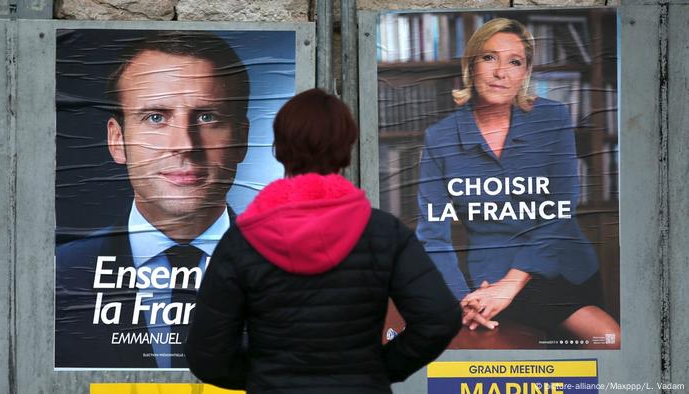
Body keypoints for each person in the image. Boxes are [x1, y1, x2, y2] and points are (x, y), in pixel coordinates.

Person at [185, 89, 461, 393]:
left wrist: (264, 377)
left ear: (278, 148)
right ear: (347, 147)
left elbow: (206, 355)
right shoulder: (384, 232)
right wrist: (381, 370)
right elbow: (440, 319)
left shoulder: (242, 239)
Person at [416, 18, 620, 348]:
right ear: (471, 65)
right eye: (489, 58)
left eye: (515, 62)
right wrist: (463, 301)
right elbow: (433, 235)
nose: (501, 72)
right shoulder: (440, 138)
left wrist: (511, 284)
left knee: (609, 341)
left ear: (525, 73)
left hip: (558, 265)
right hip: (490, 277)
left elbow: (559, 212)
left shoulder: (553, 119)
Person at [55, 31, 250, 368]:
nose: (185, 144)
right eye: (155, 118)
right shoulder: (57, 275)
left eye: (207, 117)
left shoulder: (296, 273)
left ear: (242, 139)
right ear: (117, 141)